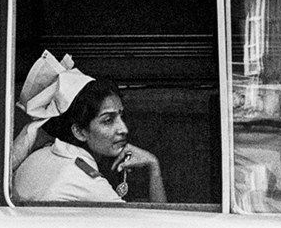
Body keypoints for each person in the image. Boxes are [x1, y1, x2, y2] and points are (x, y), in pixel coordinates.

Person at [11, 51, 166, 204]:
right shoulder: (83, 179)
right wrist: (153, 166)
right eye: (108, 121)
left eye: (121, 117)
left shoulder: (42, 154)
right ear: (79, 131)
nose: (123, 129)